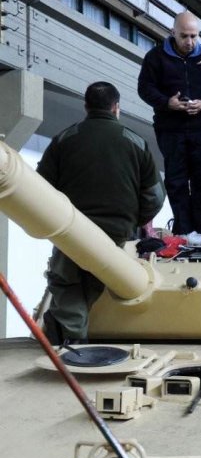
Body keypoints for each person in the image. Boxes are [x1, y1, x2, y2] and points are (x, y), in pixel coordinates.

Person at [37, 82, 166, 344]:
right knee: (103, 279)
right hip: (117, 233)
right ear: (116, 107)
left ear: (86, 106)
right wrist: (135, 221)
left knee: (68, 284)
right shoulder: (136, 142)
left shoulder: (64, 139)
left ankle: (70, 344)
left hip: (71, 230)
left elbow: (41, 189)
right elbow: (155, 196)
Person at [137, 11, 201, 238]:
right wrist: (168, 103)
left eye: (194, 36)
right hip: (170, 130)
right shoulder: (155, 57)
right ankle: (183, 233)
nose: (189, 42)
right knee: (176, 182)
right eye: (184, 36)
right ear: (173, 32)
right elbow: (145, 89)